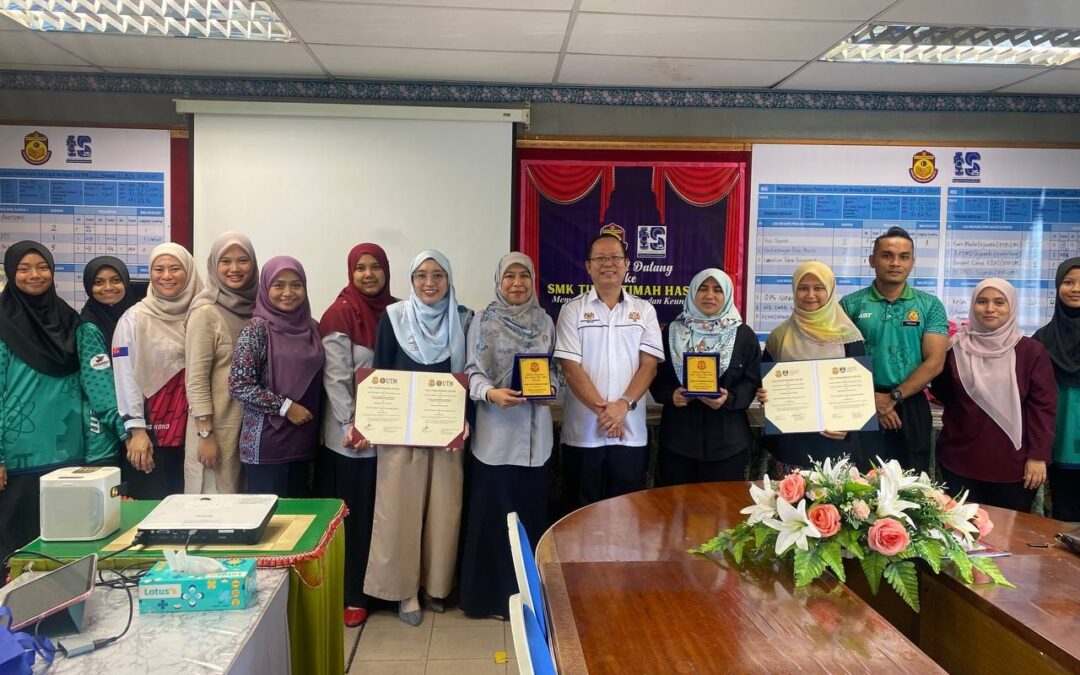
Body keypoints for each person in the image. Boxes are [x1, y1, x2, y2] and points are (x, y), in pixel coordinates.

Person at [364, 250, 473, 627]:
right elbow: (381, 371)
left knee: (444, 512)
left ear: (449, 279)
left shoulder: (463, 318)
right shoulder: (393, 318)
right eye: (422, 275)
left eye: (438, 275)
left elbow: (469, 375)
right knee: (399, 513)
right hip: (401, 435)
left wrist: (465, 419)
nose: (430, 283)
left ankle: (435, 587)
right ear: (410, 280)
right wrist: (375, 421)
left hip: (446, 434)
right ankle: (403, 590)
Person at [460, 252, 555, 619]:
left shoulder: (545, 320)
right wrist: (491, 393)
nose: (517, 283)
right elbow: (471, 372)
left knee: (528, 521)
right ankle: (491, 599)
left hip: (536, 442)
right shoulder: (482, 321)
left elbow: (554, 370)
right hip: (496, 439)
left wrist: (550, 390)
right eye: (509, 277)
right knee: (496, 520)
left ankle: (527, 595)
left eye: (524, 277)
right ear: (498, 282)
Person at [317, 243, 395, 628]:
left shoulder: (399, 312)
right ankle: (354, 594)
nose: (368, 274)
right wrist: (352, 425)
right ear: (351, 272)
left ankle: (386, 588)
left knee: (389, 516)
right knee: (358, 518)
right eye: (361, 268)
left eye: (376, 267)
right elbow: (336, 379)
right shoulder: (339, 314)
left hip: (393, 438)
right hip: (354, 441)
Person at [554, 234, 663, 506]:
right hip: (583, 435)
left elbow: (648, 366)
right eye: (600, 258)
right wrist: (605, 413)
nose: (608, 264)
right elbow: (570, 368)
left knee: (626, 517)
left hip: (630, 434)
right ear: (588, 266)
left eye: (615, 257)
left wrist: (622, 407)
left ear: (627, 264)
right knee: (579, 516)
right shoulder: (572, 311)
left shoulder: (645, 310)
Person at [931, 278, 1056, 512]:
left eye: (1000, 302)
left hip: (1013, 466)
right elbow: (942, 392)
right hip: (959, 460)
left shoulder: (1031, 352)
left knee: (1009, 540)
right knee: (961, 537)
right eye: (982, 301)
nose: (990, 309)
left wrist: (1038, 457)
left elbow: (1043, 408)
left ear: (1012, 307)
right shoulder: (953, 348)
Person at [0, 241, 84, 562]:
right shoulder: (3, 321)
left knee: (64, 554)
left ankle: (60, 614)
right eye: (23, 269)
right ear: (11, 273)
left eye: (42, 267)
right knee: (18, 554)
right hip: (19, 458)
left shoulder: (69, 318)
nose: (34, 275)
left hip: (69, 456)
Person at [839, 226, 948, 472]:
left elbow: (935, 362)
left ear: (912, 262)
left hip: (911, 404)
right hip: (861, 402)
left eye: (904, 256)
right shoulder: (850, 304)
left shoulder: (929, 305)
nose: (895, 263)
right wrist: (872, 401)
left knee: (912, 486)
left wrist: (892, 398)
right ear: (872, 260)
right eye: (887, 255)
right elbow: (840, 361)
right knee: (859, 487)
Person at [649, 268, 760, 484]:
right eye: (703, 288)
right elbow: (655, 375)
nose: (710, 295)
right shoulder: (671, 332)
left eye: (718, 290)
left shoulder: (744, 335)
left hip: (728, 443)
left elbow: (752, 380)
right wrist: (671, 395)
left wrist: (729, 398)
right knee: (676, 511)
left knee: (723, 512)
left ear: (727, 295)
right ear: (692, 293)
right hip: (678, 441)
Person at [113, 243, 204, 499]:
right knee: (155, 510)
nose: (166, 276)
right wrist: (136, 431)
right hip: (154, 434)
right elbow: (125, 377)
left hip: (198, 432)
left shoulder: (204, 313)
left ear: (189, 272)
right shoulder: (133, 319)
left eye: (175, 268)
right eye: (159, 269)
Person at [229, 256, 323, 497]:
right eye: (279, 285)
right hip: (266, 446)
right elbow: (239, 385)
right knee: (271, 525)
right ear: (265, 287)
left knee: (302, 524)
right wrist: (286, 407)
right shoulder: (257, 328)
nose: (288, 292)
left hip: (304, 442)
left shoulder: (313, 327)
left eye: (296, 285)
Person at [759, 261, 865, 473]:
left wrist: (848, 428)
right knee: (787, 505)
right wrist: (765, 395)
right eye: (803, 288)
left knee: (835, 506)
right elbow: (766, 387)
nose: (810, 295)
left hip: (835, 446)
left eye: (818, 288)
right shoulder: (778, 337)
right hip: (791, 446)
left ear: (830, 291)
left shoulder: (849, 338)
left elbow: (859, 394)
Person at [184, 232, 259, 494]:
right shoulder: (205, 312)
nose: (235, 269)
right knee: (216, 510)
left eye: (243, 260)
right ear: (214, 265)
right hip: (218, 431)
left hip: (252, 433)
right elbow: (196, 378)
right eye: (225, 261)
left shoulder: (259, 308)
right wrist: (205, 435)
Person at [79, 256, 137, 467]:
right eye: (98, 282)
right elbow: (100, 390)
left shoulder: (134, 318)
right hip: (105, 435)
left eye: (115, 280)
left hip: (132, 425)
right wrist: (128, 433)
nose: (108, 287)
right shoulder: (89, 328)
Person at [1034, 258, 1080, 521]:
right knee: (1064, 514)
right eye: (1068, 282)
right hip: (1059, 438)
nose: (1075, 289)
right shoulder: (1042, 340)